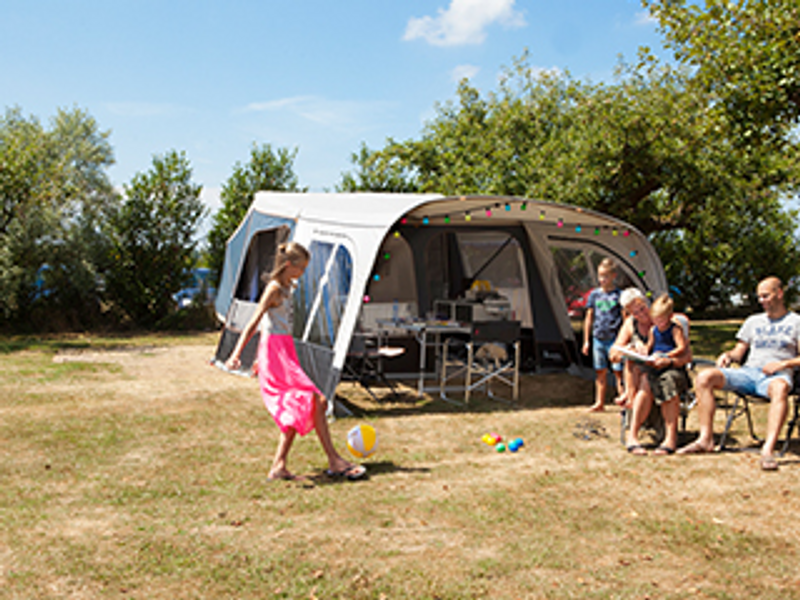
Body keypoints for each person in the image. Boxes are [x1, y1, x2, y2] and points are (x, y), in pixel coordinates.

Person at [225, 242, 366, 482]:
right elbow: (255, 322)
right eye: (301, 268)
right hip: (276, 353)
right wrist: (236, 354)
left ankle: (280, 466)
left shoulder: (288, 287)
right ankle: (334, 461)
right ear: (289, 265)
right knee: (314, 399)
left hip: (284, 350)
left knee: (304, 405)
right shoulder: (274, 288)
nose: (303, 273)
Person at [677, 276, 800, 471]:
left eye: (766, 296)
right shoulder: (753, 321)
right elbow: (739, 351)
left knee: (780, 388)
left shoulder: (795, 322)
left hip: (775, 376)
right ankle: (705, 439)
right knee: (704, 377)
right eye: (759, 296)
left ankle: (768, 450)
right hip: (748, 373)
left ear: (779, 293)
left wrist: (782, 364)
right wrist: (728, 355)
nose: (761, 300)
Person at [642, 294, 691, 455]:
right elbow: (649, 346)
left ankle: (670, 437)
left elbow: (682, 348)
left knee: (667, 381)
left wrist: (668, 356)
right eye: (655, 320)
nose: (658, 324)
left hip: (672, 366)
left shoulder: (675, 328)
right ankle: (636, 431)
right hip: (655, 364)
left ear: (670, 317)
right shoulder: (653, 330)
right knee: (642, 378)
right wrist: (644, 352)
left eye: (661, 320)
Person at [582, 258, 624, 412]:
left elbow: (625, 319)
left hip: (614, 339)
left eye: (605, 276)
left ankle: (624, 403)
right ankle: (599, 402)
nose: (602, 280)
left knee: (619, 372)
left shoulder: (619, 295)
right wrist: (586, 340)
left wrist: (622, 342)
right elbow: (589, 317)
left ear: (613, 276)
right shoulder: (594, 295)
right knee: (600, 371)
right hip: (598, 338)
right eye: (600, 276)